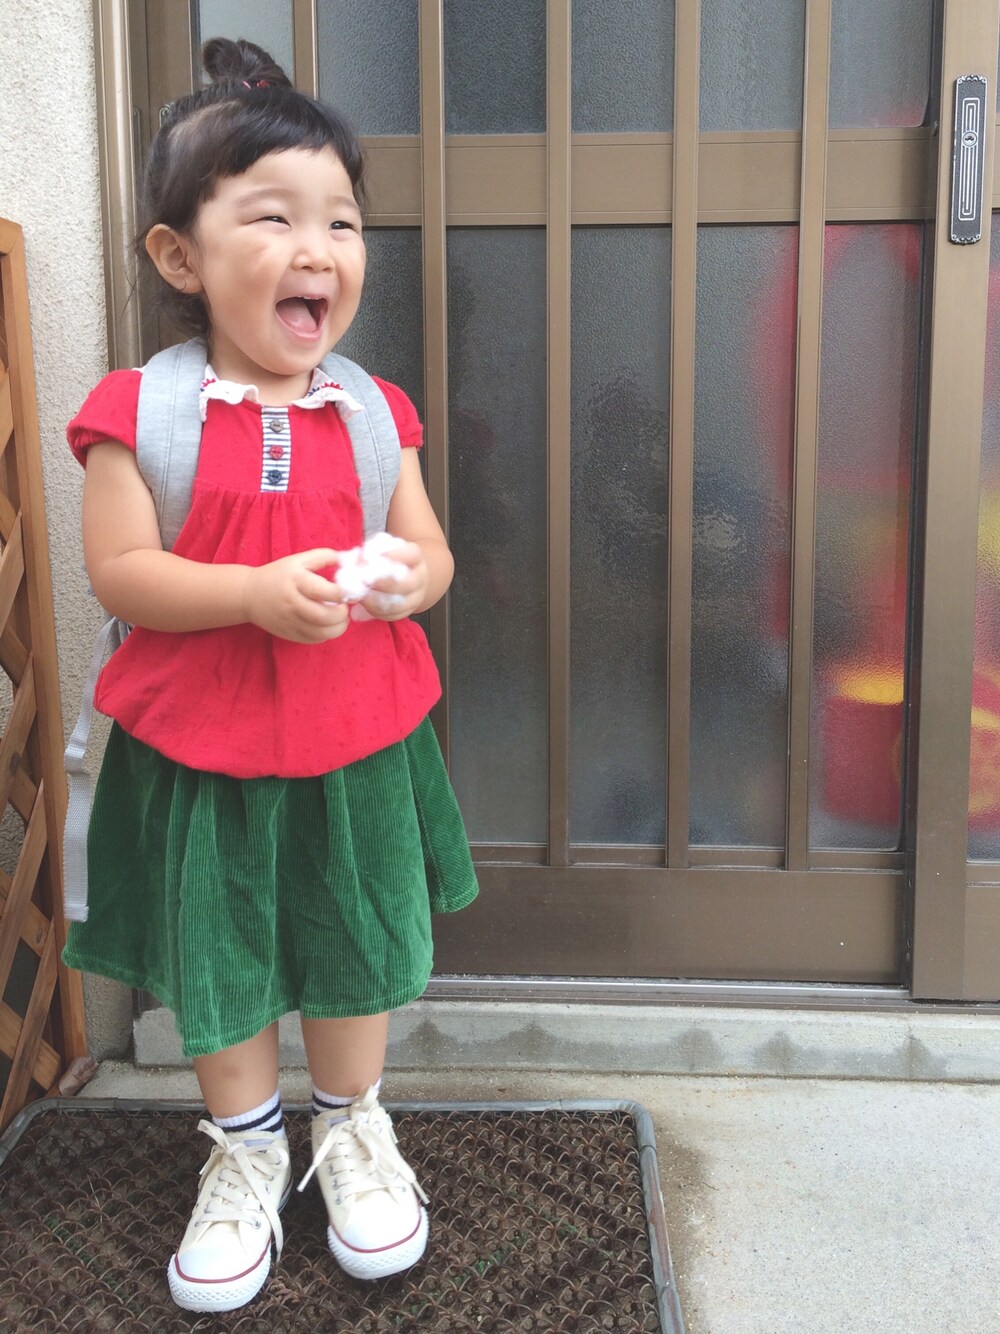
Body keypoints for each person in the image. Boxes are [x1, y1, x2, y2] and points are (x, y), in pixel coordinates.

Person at [62, 36, 478, 1315]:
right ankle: (244, 1149)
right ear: (180, 257)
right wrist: (247, 594)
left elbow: (430, 550)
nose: (318, 247)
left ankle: (351, 1125)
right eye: (273, 217)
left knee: (353, 938)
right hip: (206, 750)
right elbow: (122, 573)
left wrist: (407, 579)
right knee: (225, 947)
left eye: (340, 221)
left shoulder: (374, 410)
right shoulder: (141, 413)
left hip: (357, 740)